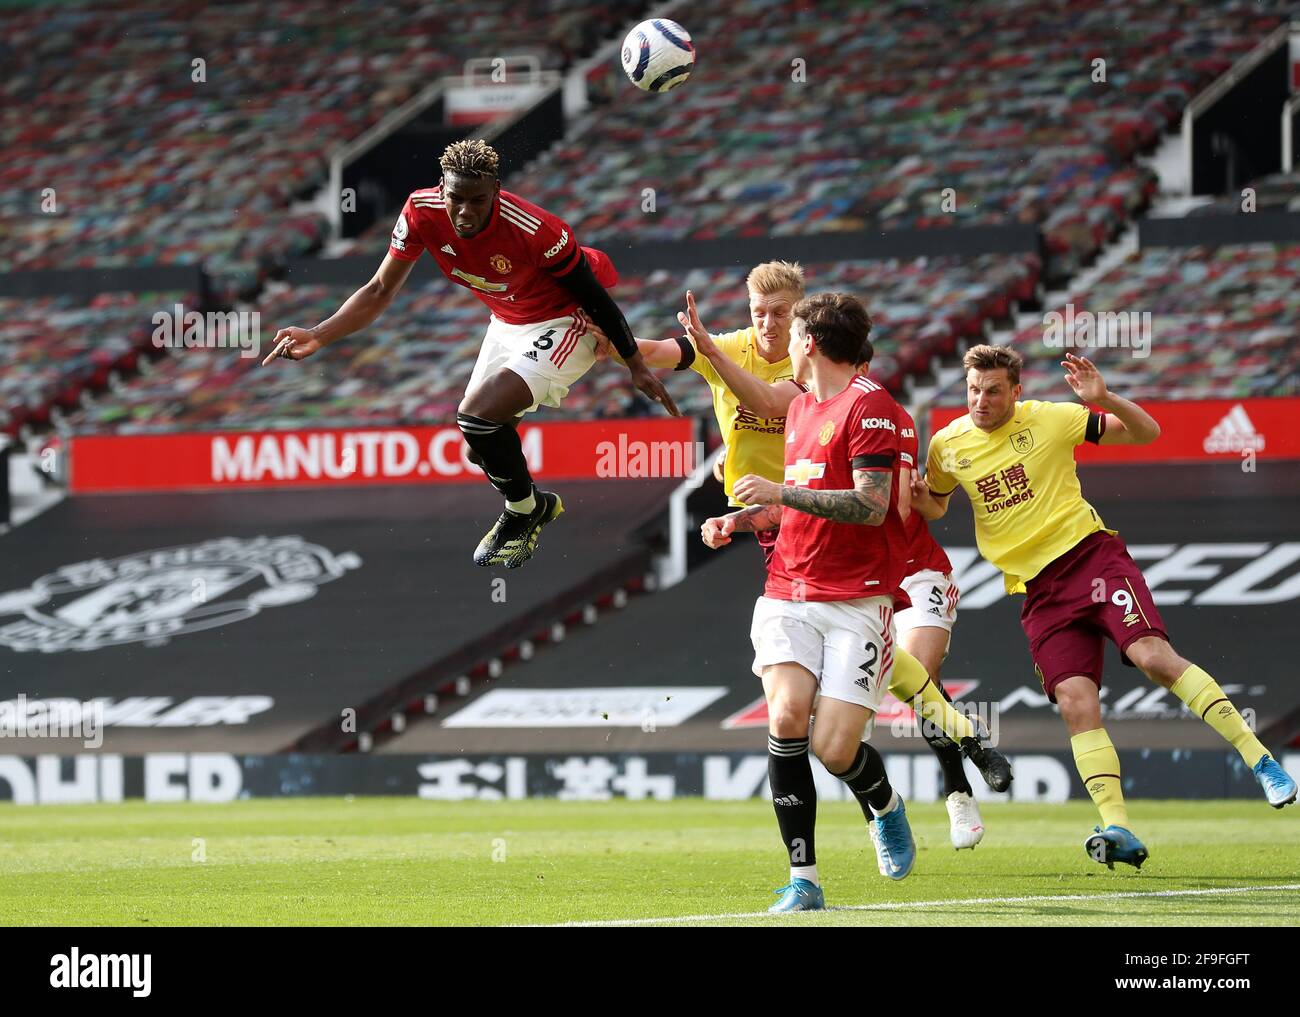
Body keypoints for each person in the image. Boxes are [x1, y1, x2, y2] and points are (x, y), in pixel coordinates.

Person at [912, 344, 1297, 869]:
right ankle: (1119, 825)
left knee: (1153, 658)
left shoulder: (1051, 419)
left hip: (1092, 560)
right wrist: (917, 496)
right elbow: (936, 502)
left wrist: (1105, 398)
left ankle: (1261, 762)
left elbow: (1147, 434)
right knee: (1075, 702)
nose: (981, 400)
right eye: (974, 389)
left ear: (1016, 392)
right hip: (1037, 592)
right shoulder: (947, 443)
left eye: (993, 390)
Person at [263, 139, 678, 568]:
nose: (464, 211)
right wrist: (319, 334)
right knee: (478, 448)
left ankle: (526, 509)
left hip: (568, 318)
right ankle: (533, 503)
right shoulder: (420, 212)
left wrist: (635, 363)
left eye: (477, 201)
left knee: (476, 417)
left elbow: (596, 297)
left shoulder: (535, 229)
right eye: (455, 199)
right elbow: (380, 289)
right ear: (441, 190)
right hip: (508, 321)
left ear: (496, 191)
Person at [698, 293, 916, 910]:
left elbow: (869, 506)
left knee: (835, 748)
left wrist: (779, 495)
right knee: (788, 718)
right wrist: (740, 521)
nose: (784, 348)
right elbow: (796, 496)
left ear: (811, 343)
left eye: (791, 337)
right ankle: (805, 879)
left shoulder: (870, 407)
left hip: (855, 600)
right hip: (788, 590)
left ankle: (882, 802)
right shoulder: (800, 410)